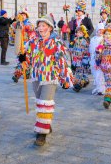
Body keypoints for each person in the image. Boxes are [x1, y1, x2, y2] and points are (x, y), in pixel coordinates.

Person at [18, 15, 74, 146]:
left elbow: (62, 61)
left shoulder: (57, 42)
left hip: (50, 78)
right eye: (39, 26)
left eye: (44, 26)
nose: (41, 28)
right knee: (40, 103)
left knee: (45, 103)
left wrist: (65, 79)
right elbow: (25, 56)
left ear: (49, 28)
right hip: (36, 76)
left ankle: (41, 134)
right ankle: (46, 124)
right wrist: (22, 59)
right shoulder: (33, 41)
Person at [71, 25, 90, 92]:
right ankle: (82, 82)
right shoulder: (76, 40)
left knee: (81, 72)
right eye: (77, 32)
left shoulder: (84, 41)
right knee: (78, 72)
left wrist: (85, 58)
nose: (77, 34)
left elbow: (86, 50)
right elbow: (74, 48)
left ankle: (79, 85)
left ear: (83, 33)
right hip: (76, 59)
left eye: (79, 33)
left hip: (82, 59)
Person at [89, 23, 105, 95]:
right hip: (93, 58)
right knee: (95, 73)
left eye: (102, 30)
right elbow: (90, 49)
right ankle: (98, 87)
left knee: (100, 74)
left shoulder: (104, 39)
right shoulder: (93, 39)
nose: (100, 32)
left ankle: (101, 89)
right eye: (99, 30)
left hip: (100, 59)